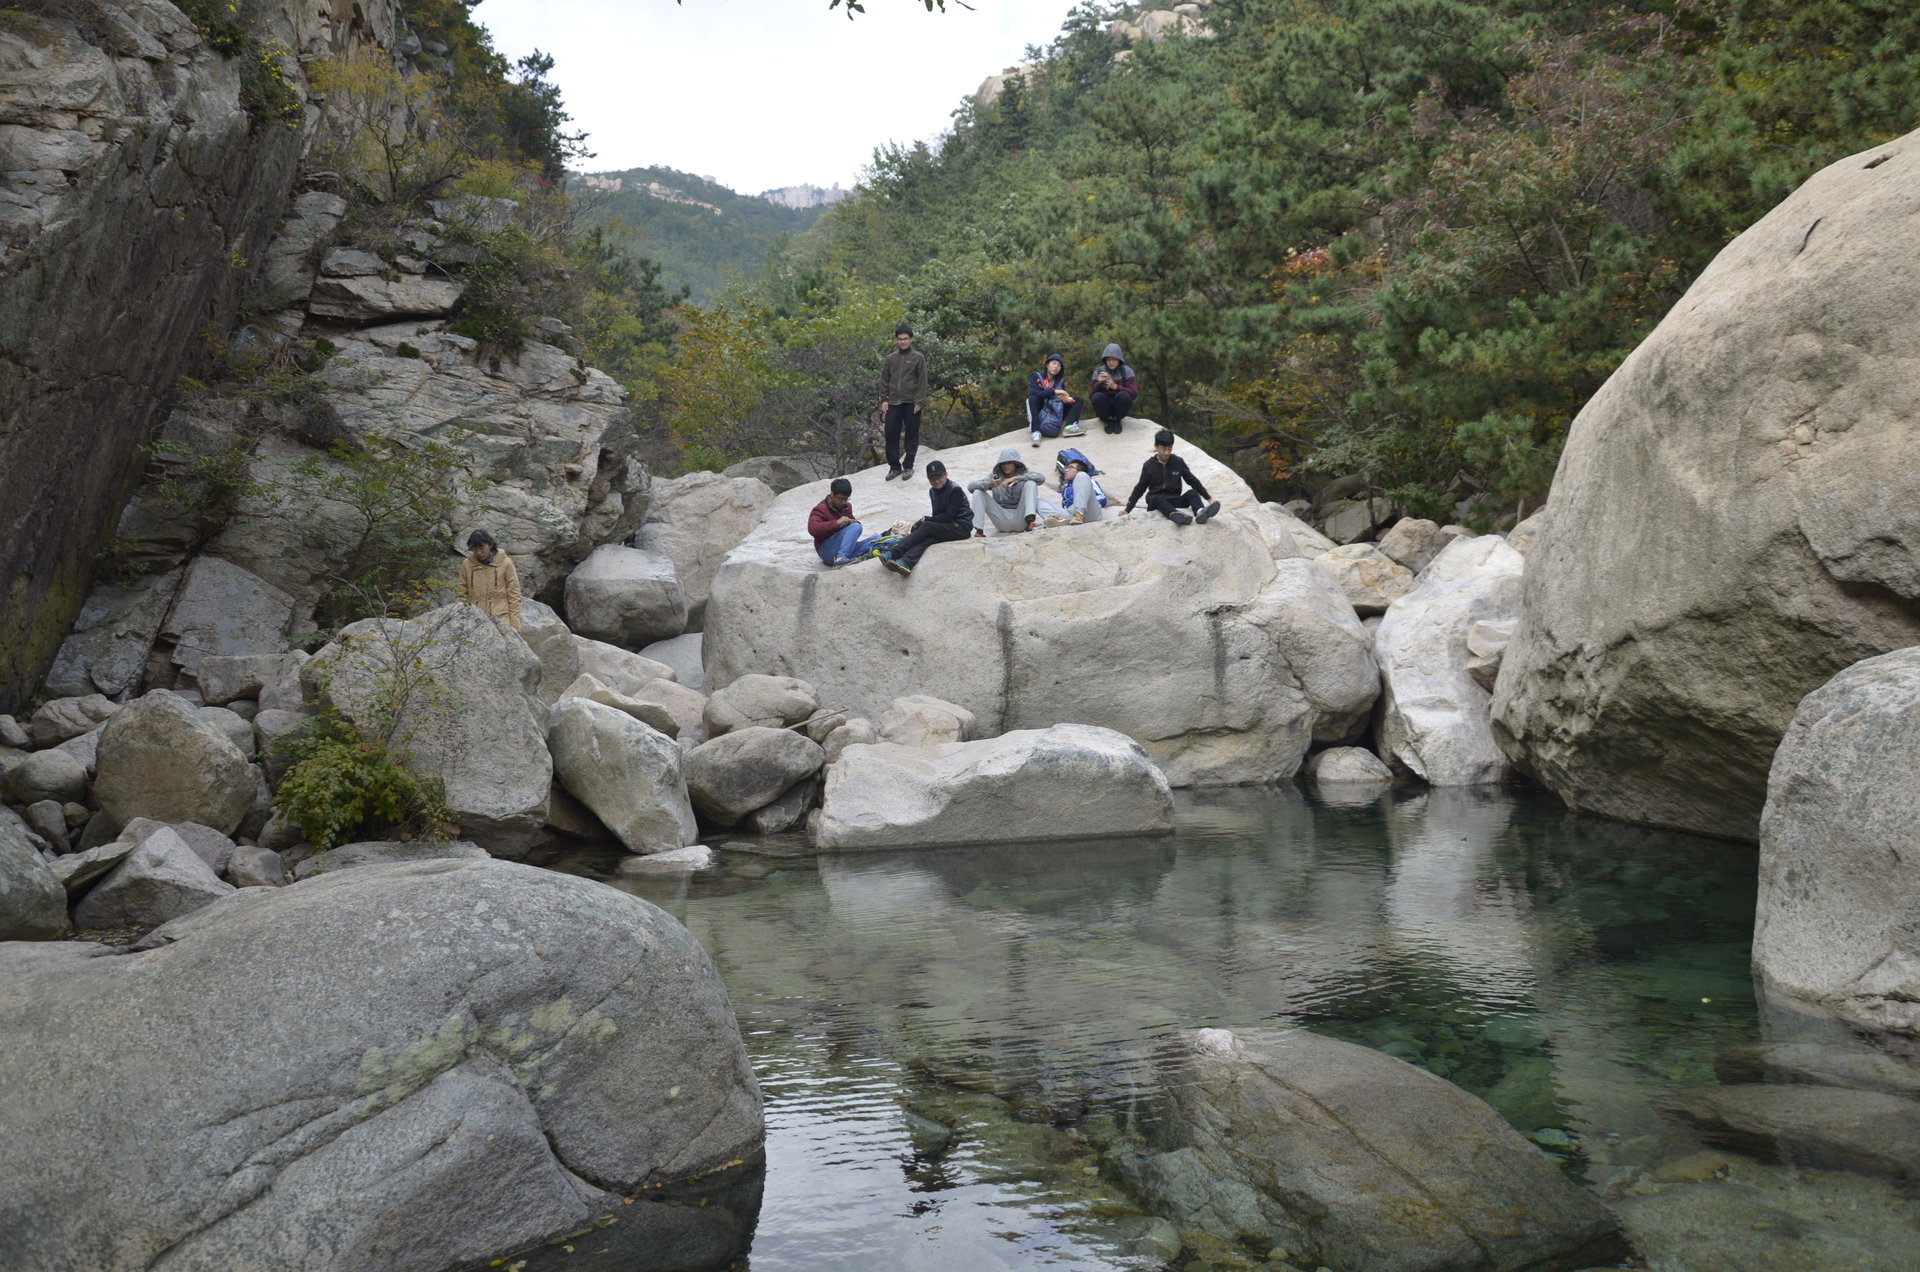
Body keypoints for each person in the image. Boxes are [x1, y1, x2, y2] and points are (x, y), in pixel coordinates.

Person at [880, 460, 973, 577]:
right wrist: (924, 523)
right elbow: (937, 515)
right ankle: (906, 562)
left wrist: (925, 520)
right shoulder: (933, 491)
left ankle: (894, 552)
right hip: (948, 527)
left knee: (927, 527)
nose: (936, 481)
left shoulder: (955, 490)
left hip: (961, 527)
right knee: (928, 537)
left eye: (939, 477)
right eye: (932, 479)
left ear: (946, 475)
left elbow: (949, 516)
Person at [1122, 429, 1222, 526]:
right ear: (1156, 446)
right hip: (1156, 503)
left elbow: (1192, 481)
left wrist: (1209, 498)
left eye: (1169, 449)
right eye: (1163, 449)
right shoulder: (1149, 465)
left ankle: (1201, 513)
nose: (1167, 453)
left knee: (1192, 493)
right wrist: (1127, 509)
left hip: (1174, 499)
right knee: (1157, 498)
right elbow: (1140, 488)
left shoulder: (1178, 462)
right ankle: (1175, 515)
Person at [877, 324, 929, 481]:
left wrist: (919, 401)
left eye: (906, 339)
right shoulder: (890, 359)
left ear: (911, 339)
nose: (903, 342)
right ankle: (894, 467)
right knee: (891, 434)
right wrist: (884, 399)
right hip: (893, 401)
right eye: (900, 339)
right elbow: (884, 380)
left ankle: (908, 466)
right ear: (896, 340)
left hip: (911, 402)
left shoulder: (918, 357)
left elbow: (922, 381)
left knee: (911, 434)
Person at [968, 446, 1047, 535]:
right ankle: (979, 531)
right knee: (978, 492)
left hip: (1021, 518)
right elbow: (970, 487)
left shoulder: (1024, 474)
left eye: (1009, 463)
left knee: (1031, 483)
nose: (1005, 466)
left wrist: (1016, 478)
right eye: (1003, 463)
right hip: (1002, 520)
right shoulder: (995, 476)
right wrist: (989, 484)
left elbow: (1041, 478)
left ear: (1016, 463)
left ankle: (1030, 522)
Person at [808, 478, 884, 566]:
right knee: (856, 527)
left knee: (877, 538)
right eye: (841, 499)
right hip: (826, 550)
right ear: (832, 494)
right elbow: (812, 529)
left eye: (846, 499)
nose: (844, 502)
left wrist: (851, 522)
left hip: (843, 548)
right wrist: (836, 523)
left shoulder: (847, 507)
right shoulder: (821, 509)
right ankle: (841, 559)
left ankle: (853, 557)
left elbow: (852, 527)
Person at [457, 528, 522, 629]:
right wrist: (461, 621)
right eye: (475, 548)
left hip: (501, 620)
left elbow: (514, 595)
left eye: (481, 547)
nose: (478, 552)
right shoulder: (467, 564)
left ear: (490, 545)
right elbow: (461, 594)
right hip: (475, 620)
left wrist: (515, 626)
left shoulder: (505, 563)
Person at [1027, 354, 1084, 446]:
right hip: (1041, 410)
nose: (1056, 367)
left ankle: (1069, 427)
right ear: (1047, 365)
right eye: (1053, 363)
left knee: (1078, 400)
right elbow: (1034, 393)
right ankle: (1036, 432)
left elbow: (1058, 398)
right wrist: (1054, 391)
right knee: (1033, 398)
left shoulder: (1059, 382)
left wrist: (1065, 399)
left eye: (1059, 365)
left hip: (1054, 411)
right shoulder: (1036, 377)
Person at [1089, 342, 1138, 434]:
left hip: (1119, 405)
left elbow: (1133, 393)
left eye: (1114, 360)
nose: (1111, 362)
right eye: (1108, 360)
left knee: (1124, 396)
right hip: (1104, 406)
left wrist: (1115, 386)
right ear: (1105, 360)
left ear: (1119, 360)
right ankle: (1108, 420)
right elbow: (1091, 396)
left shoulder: (1127, 371)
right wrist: (1099, 383)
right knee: (1097, 397)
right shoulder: (1099, 371)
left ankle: (1116, 419)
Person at [1053, 456, 1107, 524]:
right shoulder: (1066, 489)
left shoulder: (1087, 479)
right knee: (1040, 502)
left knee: (1081, 476)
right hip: (1071, 514)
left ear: (1079, 470)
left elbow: (1102, 500)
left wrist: (1080, 501)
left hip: (1089, 512)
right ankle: (1059, 520)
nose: (1066, 470)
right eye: (1067, 468)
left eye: (1071, 467)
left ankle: (1079, 515)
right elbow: (1066, 507)